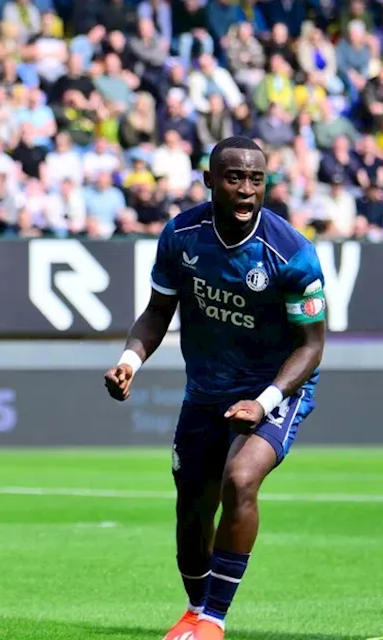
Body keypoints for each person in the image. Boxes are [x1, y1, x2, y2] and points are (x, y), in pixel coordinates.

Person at [104, 136, 326, 640]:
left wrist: (265, 401)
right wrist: (128, 361)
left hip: (275, 387)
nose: (247, 190)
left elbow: (311, 346)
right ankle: (194, 610)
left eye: (256, 179)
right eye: (234, 178)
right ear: (209, 181)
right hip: (205, 390)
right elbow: (159, 311)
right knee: (191, 506)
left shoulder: (292, 253)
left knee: (240, 478)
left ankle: (214, 621)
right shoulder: (182, 235)